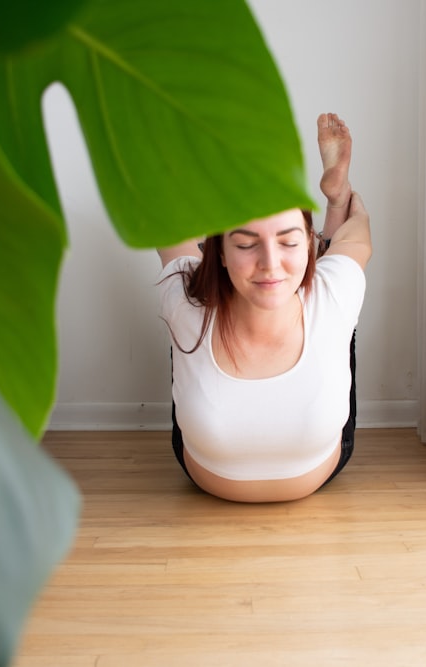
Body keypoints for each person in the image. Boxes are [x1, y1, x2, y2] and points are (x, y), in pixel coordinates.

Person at [157, 113, 371, 502]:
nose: (269, 263)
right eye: (244, 244)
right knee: (194, 291)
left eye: (289, 243)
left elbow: (356, 238)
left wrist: (339, 199)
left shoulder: (334, 294)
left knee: (328, 299)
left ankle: (295, 233)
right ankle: (258, 241)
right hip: (200, 456)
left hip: (324, 454)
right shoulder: (186, 303)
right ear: (220, 252)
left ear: (307, 242)